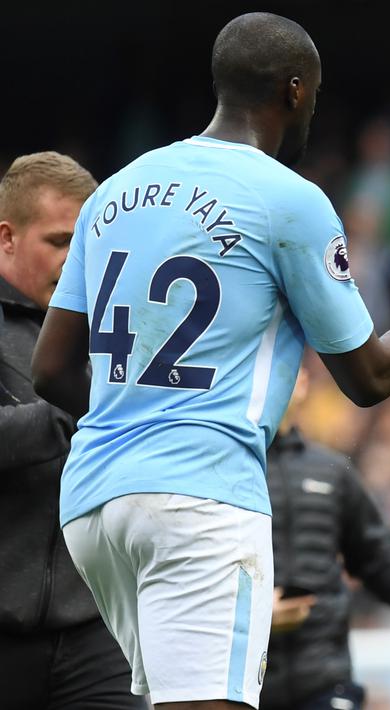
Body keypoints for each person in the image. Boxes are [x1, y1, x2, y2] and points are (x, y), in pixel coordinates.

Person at [31, 12, 390, 710]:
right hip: (201, 495)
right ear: (294, 90)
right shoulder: (289, 201)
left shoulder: (116, 191)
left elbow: (49, 369)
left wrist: (136, 421)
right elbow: (368, 376)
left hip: (94, 503)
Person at [0, 152, 144, 709]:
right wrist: (74, 407)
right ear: (7, 238)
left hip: (96, 626)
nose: (76, 259)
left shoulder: (120, 324)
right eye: (60, 242)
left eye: (86, 242)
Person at [262, 369, 390, 710]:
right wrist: (254, 617)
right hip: (242, 686)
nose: (278, 378)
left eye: (288, 368)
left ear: (305, 383)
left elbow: (377, 556)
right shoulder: (220, 467)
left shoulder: (331, 471)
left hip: (323, 682)